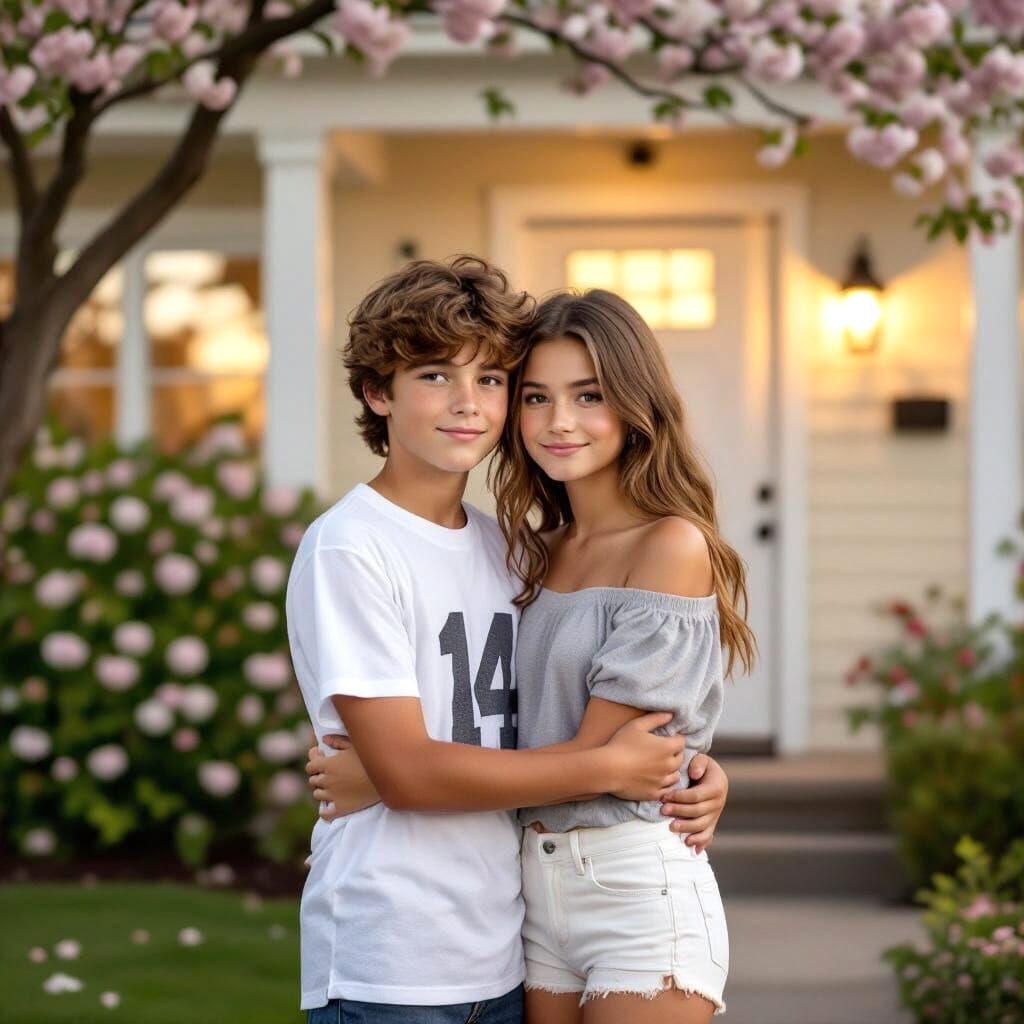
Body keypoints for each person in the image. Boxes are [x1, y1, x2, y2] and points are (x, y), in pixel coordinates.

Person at [290, 256, 731, 1024]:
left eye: (491, 379)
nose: (469, 403)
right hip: (396, 950)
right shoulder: (358, 548)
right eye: (436, 376)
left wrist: (691, 766)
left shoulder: (507, 549)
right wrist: (399, 776)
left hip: (511, 933)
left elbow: (588, 730)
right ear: (377, 393)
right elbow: (571, 753)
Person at [492, 289, 756, 1021]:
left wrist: (398, 779)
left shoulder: (669, 545)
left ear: (636, 406)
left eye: (589, 395)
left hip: (635, 889)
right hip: (530, 889)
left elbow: (598, 759)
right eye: (537, 397)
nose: (559, 421)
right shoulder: (530, 554)